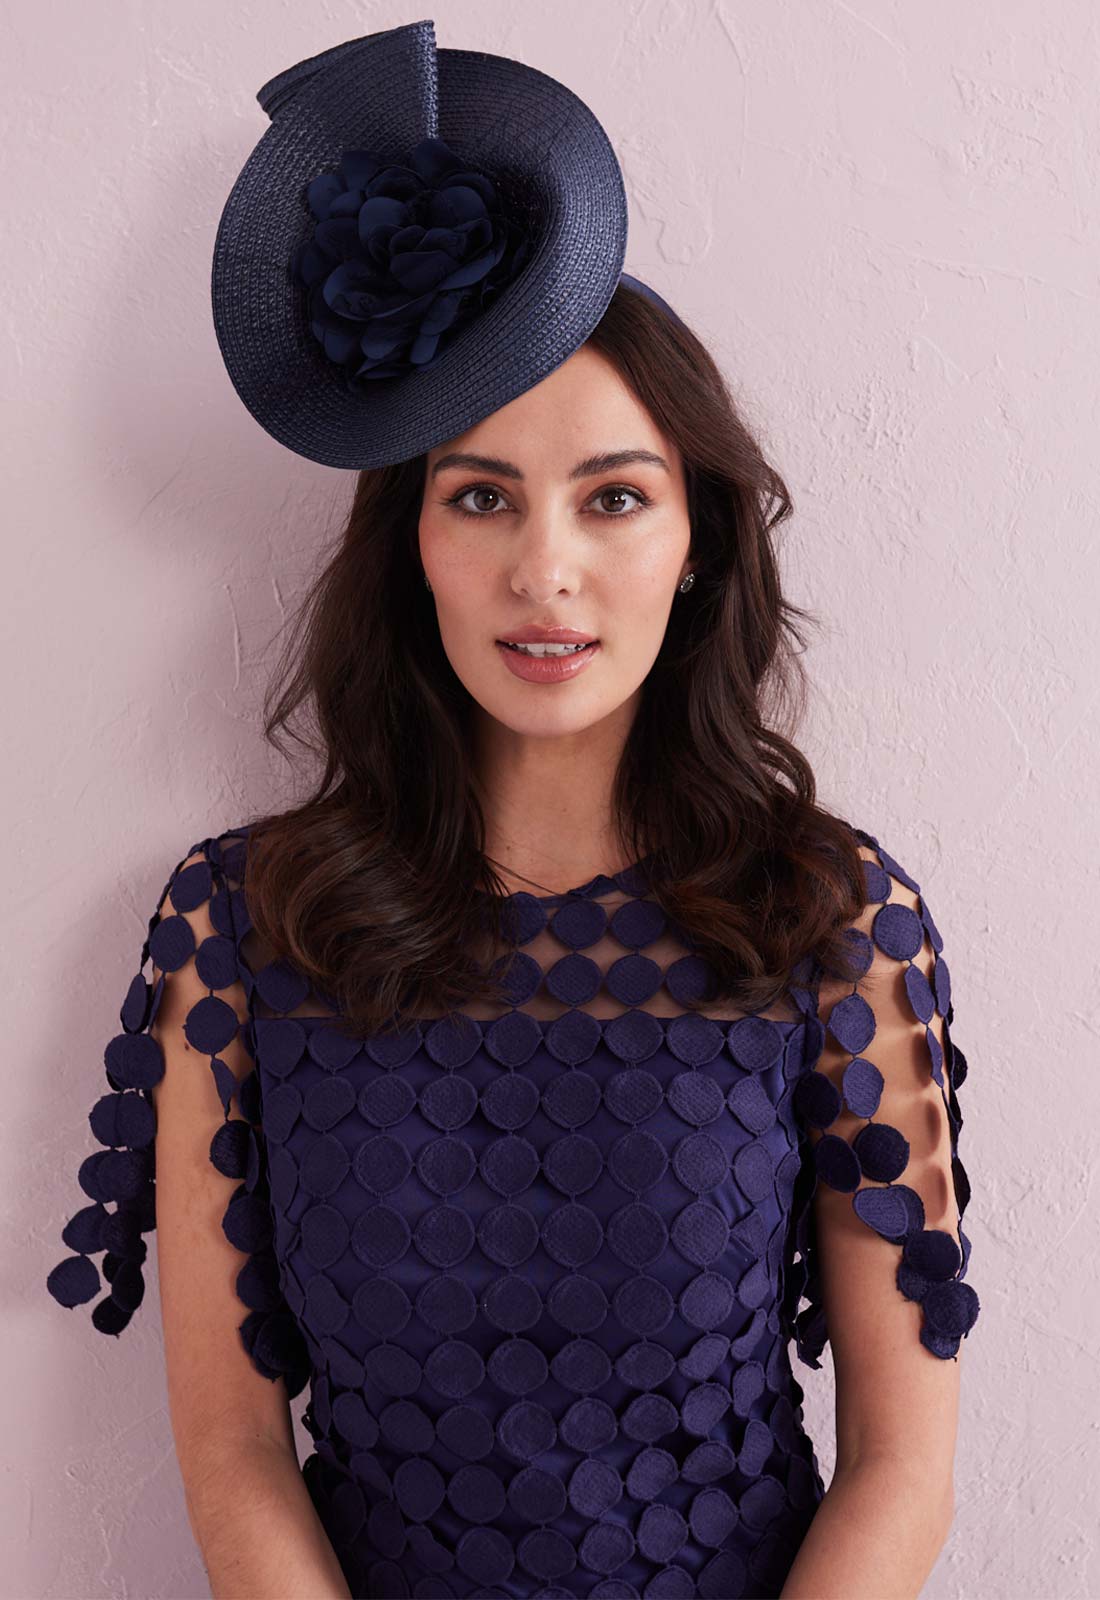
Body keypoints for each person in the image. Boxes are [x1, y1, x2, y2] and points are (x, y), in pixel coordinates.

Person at [46, 19, 979, 1600]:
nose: (545, 570)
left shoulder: (830, 918)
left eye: (613, 496)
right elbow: (232, 1454)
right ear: (409, 542)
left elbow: (905, 1467)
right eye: (481, 495)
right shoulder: (239, 928)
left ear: (695, 544)